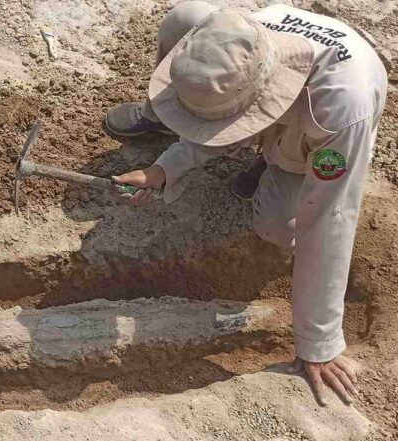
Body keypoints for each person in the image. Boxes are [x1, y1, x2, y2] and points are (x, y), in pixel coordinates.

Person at [109, 3, 387, 405]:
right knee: (185, 16)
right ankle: (244, 144)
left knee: (277, 224)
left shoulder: (342, 113)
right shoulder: (239, 37)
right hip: (277, 95)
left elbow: (329, 220)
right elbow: (226, 108)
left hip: (316, 129)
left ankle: (279, 159)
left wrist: (319, 342)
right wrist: (164, 168)